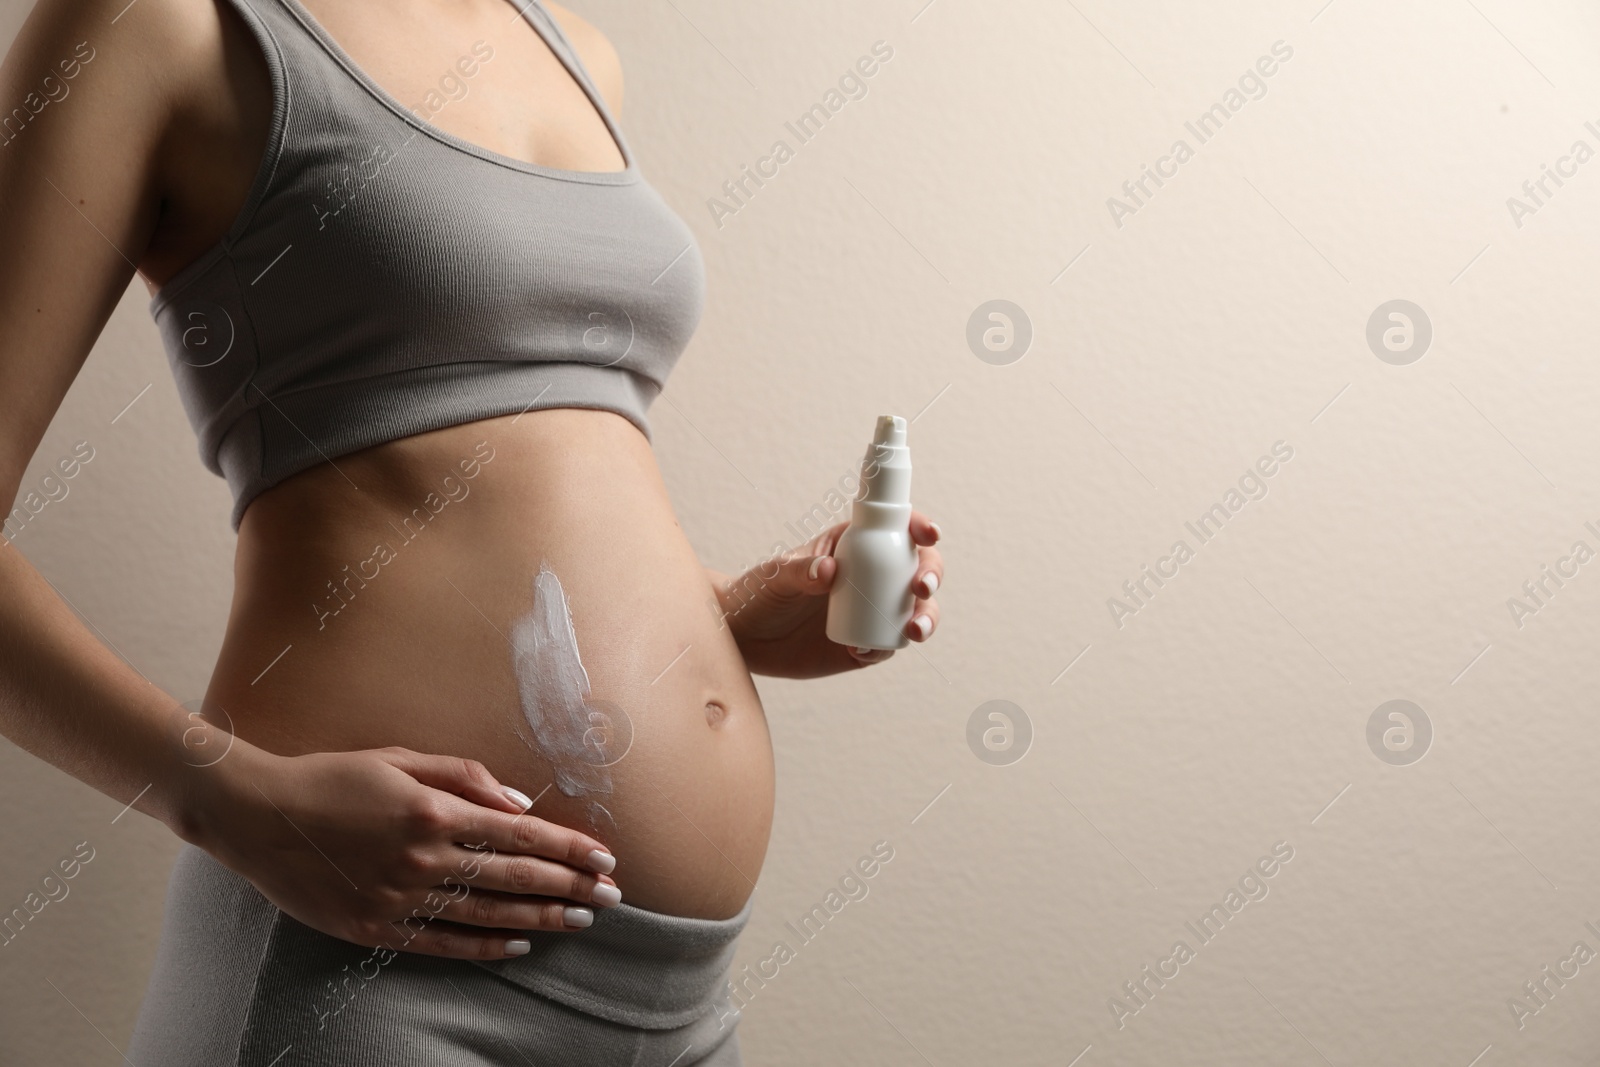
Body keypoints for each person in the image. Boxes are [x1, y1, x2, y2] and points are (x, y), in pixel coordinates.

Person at [0, 0, 944, 1062]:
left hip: (677, 997)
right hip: (367, 978)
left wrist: (728, 617)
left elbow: (518, 490)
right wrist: (232, 801)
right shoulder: (160, 24)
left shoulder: (572, 52)